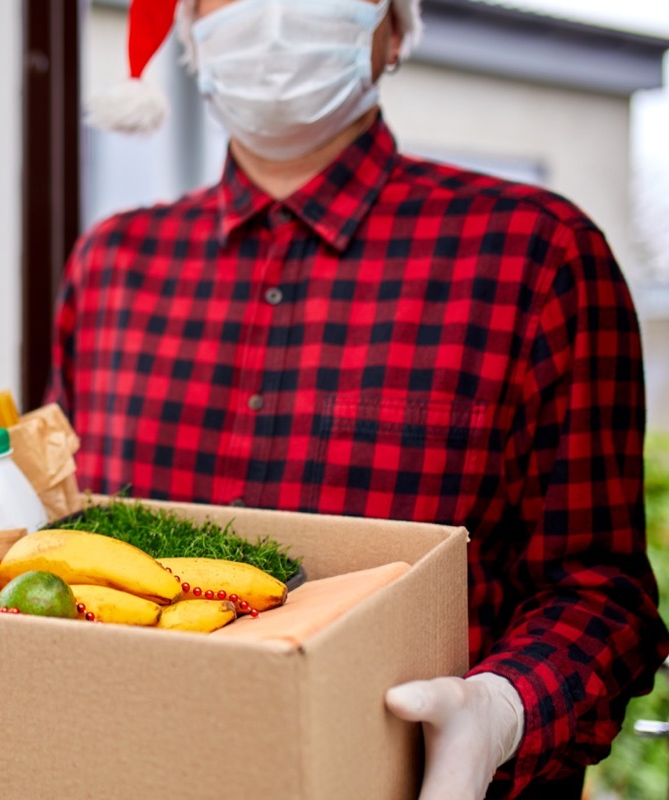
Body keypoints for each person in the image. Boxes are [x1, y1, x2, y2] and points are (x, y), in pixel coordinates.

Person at [47, 0, 669, 798]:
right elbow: (63, 535)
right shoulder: (112, 265)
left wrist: (498, 709)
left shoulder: (537, 255)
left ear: (395, 29)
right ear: (186, 30)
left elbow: (600, 595)